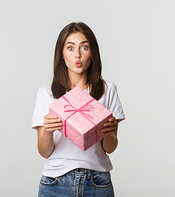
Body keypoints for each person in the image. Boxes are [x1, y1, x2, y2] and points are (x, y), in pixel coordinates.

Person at [32, 22, 125, 197]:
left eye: (84, 47)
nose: (77, 55)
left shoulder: (108, 89)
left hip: (97, 181)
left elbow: (110, 148)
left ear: (93, 52)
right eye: (70, 47)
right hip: (55, 182)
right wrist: (49, 132)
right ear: (61, 54)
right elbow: (44, 152)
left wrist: (110, 132)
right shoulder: (46, 93)